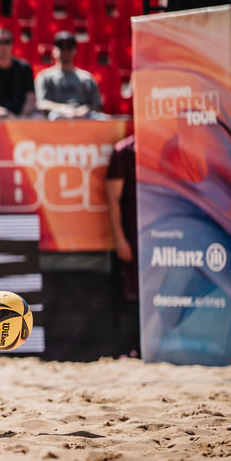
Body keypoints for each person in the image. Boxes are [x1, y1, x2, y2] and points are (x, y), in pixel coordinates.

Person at [104, 134, 140, 357]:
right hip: (133, 236)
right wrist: (120, 239)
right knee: (131, 295)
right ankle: (129, 350)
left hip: (165, 237)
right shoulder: (125, 150)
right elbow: (112, 198)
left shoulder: (170, 144)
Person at [34, 31, 108, 120]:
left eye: (69, 47)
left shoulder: (86, 78)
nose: (65, 51)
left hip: (84, 116)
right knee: (55, 117)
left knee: (104, 119)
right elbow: (40, 103)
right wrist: (62, 108)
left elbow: (96, 104)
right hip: (57, 115)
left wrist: (85, 110)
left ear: (75, 50)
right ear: (54, 50)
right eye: (61, 47)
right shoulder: (45, 77)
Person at [0, 25, 40, 120]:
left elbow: (31, 98)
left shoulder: (23, 67)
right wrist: (1, 112)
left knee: (38, 118)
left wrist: (22, 116)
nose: (3, 46)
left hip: (22, 114)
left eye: (7, 42)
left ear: (12, 44)